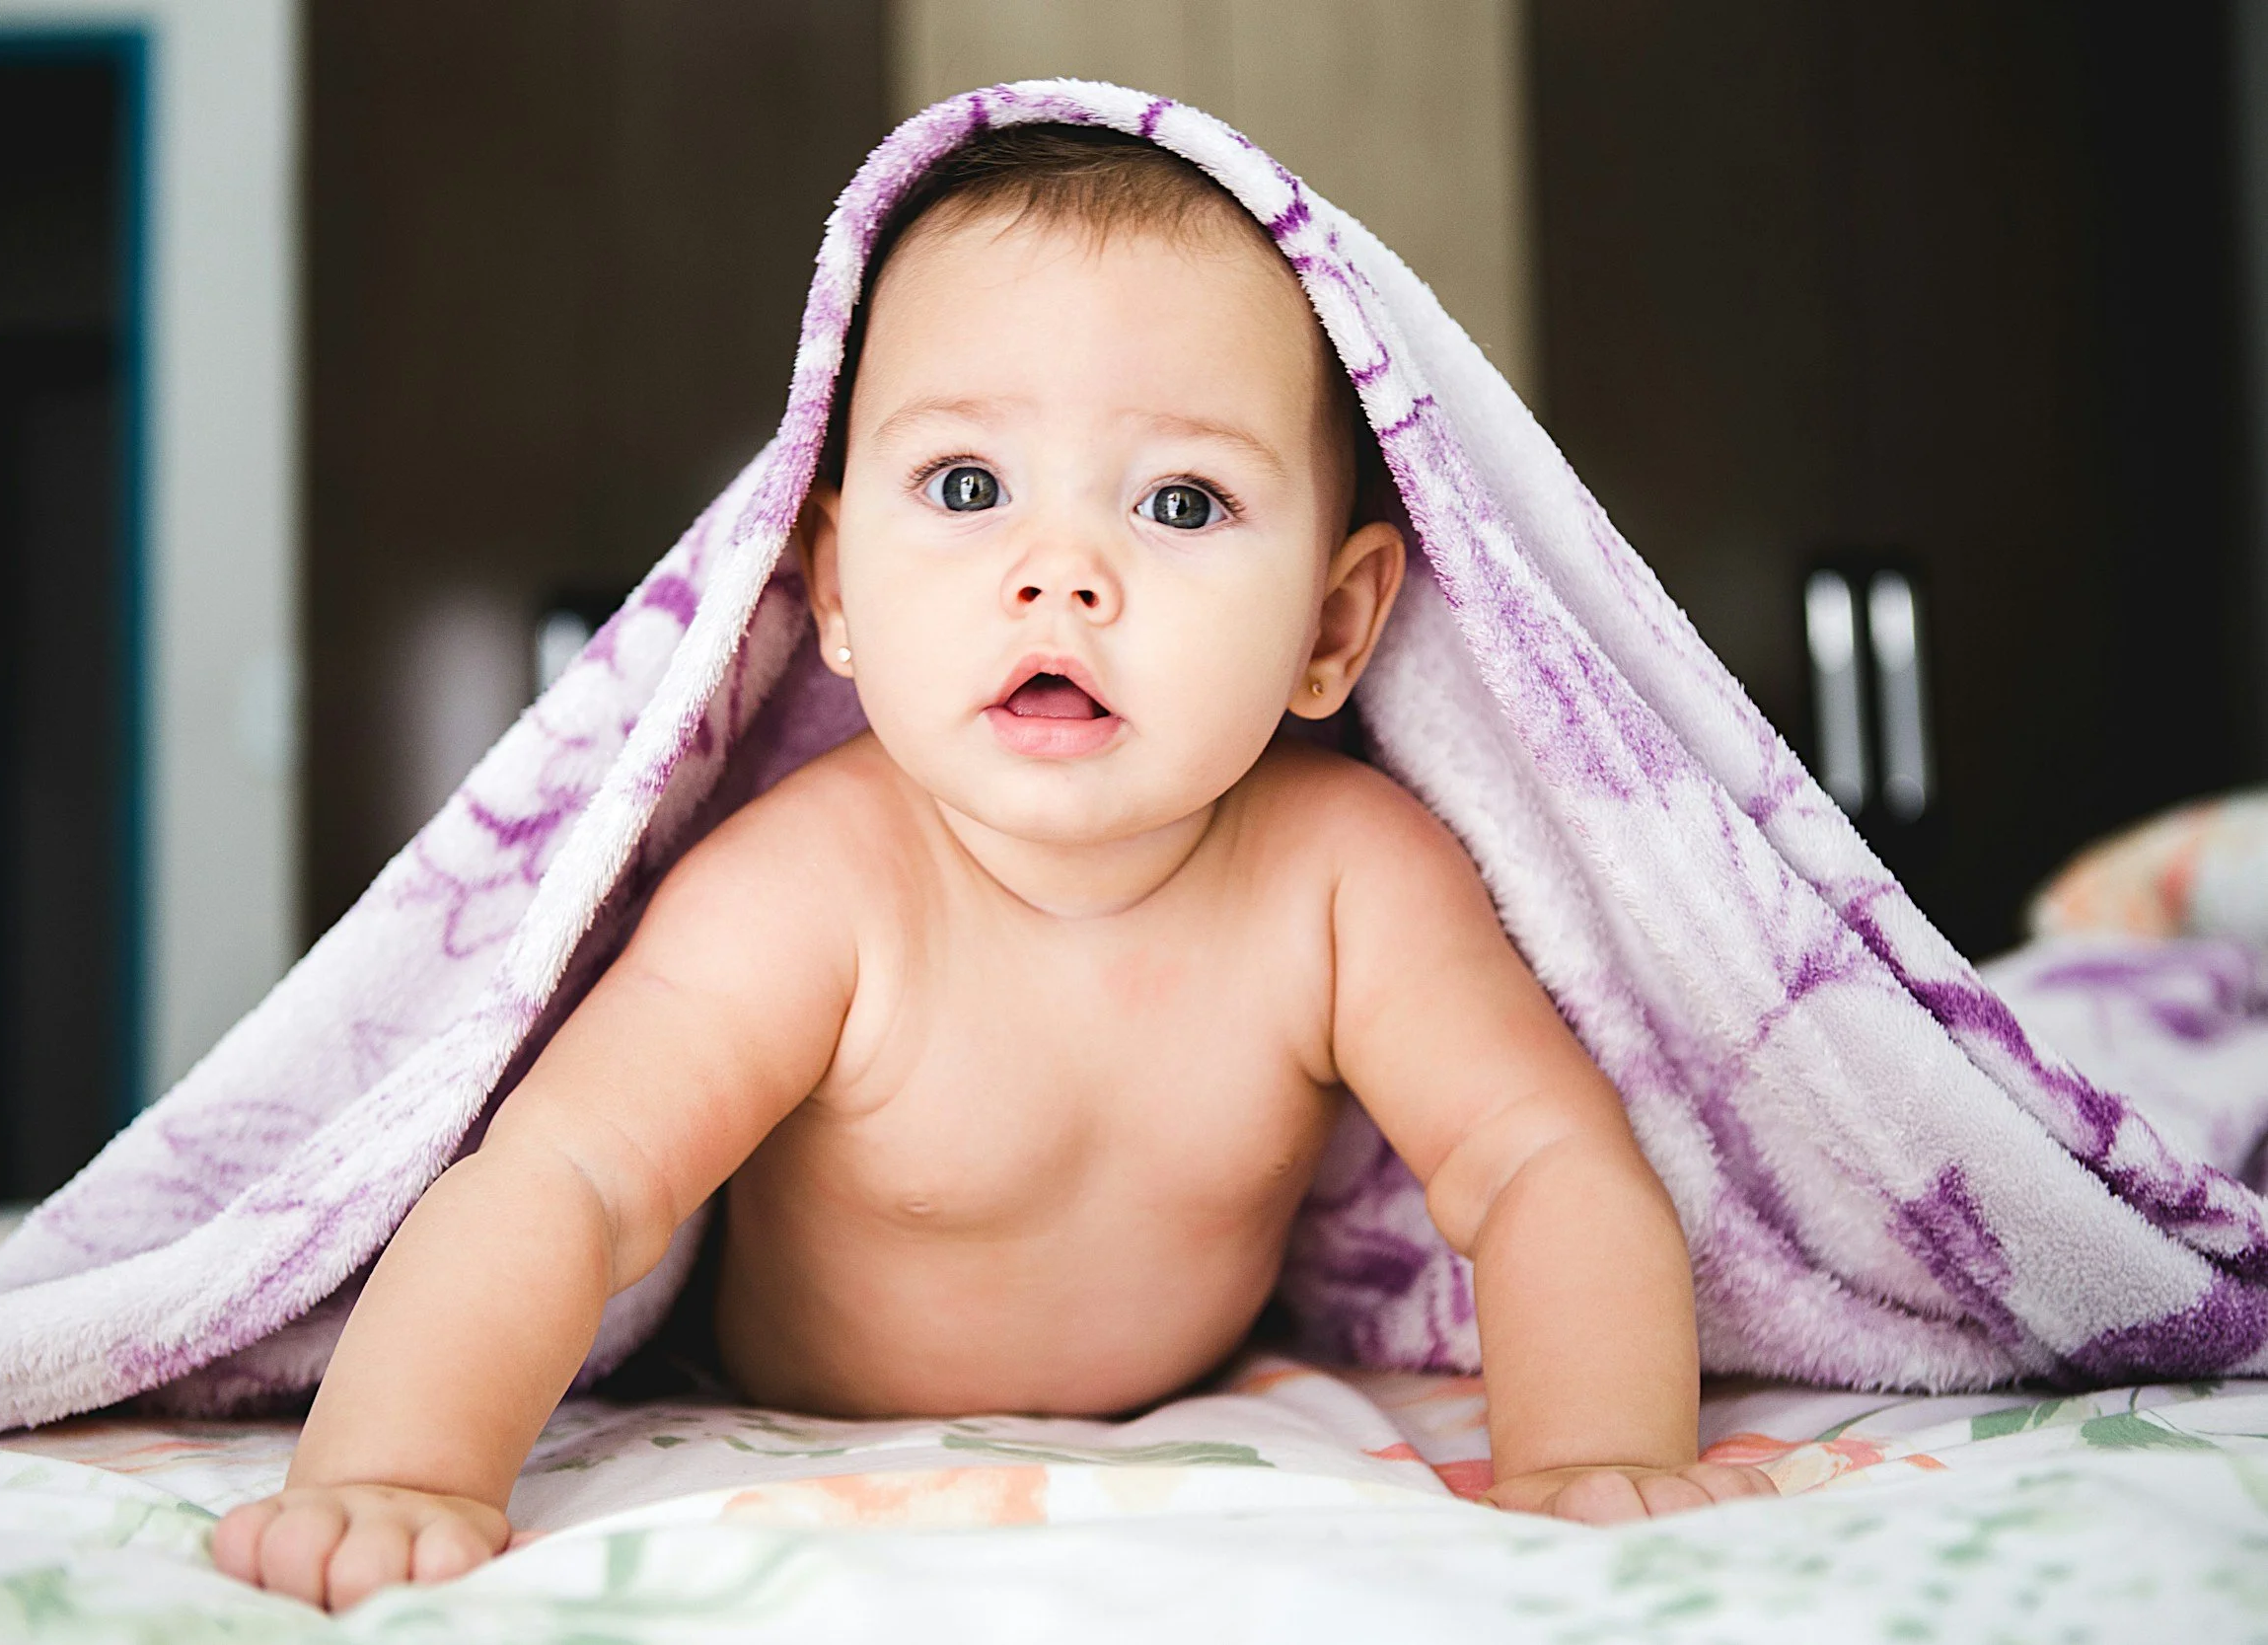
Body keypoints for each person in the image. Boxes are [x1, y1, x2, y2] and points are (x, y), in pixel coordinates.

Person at [213, 124, 1776, 1611]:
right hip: (789, 1398)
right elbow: (571, 1179)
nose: (1061, 573)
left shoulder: (1349, 878)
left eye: (1181, 500)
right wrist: (404, 1468)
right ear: (832, 586)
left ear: (1331, 626)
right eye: (967, 486)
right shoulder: (814, 889)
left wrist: (1595, 1456)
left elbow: (1543, 1163)